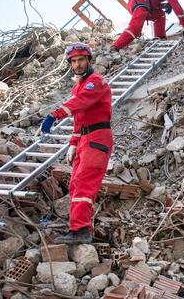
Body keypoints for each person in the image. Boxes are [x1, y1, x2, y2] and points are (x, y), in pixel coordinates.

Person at [40, 43, 113, 244]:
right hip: (84, 139)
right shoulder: (78, 85)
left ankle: (81, 230)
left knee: (83, 182)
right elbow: (79, 120)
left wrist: (55, 114)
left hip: (97, 137)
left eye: (81, 60)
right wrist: (73, 143)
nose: (78, 64)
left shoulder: (94, 81)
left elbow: (82, 102)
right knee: (75, 184)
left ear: (88, 60)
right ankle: (78, 228)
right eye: (74, 61)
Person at [111, 0, 184, 51]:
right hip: (140, 2)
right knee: (135, 29)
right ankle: (115, 47)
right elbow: (177, 7)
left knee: (160, 15)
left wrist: (164, 6)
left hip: (138, 2)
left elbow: (152, 0)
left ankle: (160, 38)